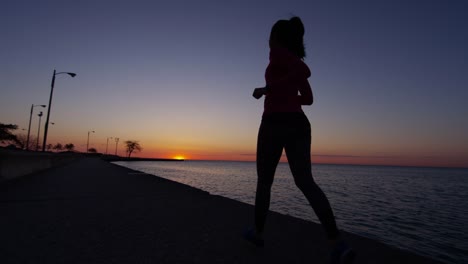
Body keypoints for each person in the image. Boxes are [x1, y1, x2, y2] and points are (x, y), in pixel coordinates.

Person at [244, 17, 355, 264]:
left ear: (276, 38)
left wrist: (267, 90)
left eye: (270, 37)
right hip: (298, 123)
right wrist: (285, 93)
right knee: (306, 182)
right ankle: (338, 244)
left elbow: (306, 72)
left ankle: (258, 234)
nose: (268, 42)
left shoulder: (278, 54)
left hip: (274, 122)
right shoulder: (292, 63)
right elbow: (308, 98)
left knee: (264, 182)